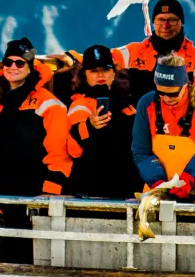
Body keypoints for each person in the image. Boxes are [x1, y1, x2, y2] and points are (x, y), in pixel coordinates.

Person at [132, 57, 195, 274]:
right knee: (154, 259)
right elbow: (141, 151)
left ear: (185, 85)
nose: (166, 98)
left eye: (172, 93)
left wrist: (189, 179)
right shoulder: (146, 104)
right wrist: (159, 182)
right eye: (161, 92)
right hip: (159, 193)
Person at [0, 36, 64, 265]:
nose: (13, 67)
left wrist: (50, 192)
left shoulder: (49, 104)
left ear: (31, 67)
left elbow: (59, 155)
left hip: (33, 193)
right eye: (8, 62)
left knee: (29, 257)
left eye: (20, 62)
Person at [53, 43, 142, 202]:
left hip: (125, 190)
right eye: (94, 71)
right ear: (84, 74)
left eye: (105, 69)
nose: (100, 75)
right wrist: (89, 126)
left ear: (113, 73)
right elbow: (72, 150)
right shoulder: (79, 106)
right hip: (90, 192)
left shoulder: (128, 106)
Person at [111, 0, 195, 97]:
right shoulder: (129, 53)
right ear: (153, 23)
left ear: (182, 22)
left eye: (172, 20)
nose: (165, 26)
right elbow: (98, 72)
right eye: (160, 20)